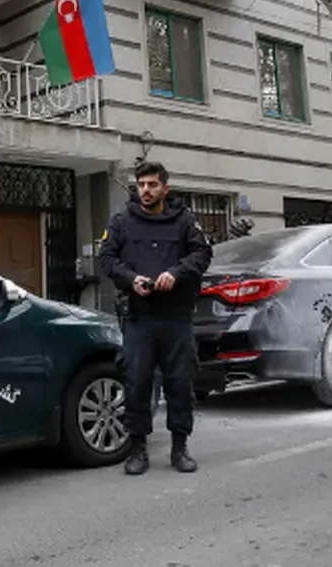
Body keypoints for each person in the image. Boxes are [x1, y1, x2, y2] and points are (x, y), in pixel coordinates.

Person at [98, 160, 213, 475]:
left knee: (180, 383)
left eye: (152, 185)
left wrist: (175, 273)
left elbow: (202, 254)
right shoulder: (121, 222)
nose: (146, 190)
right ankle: (137, 449)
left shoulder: (184, 221)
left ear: (165, 188)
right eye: (141, 185)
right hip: (140, 317)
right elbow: (106, 258)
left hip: (176, 317)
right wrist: (131, 279)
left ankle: (180, 447)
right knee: (136, 383)